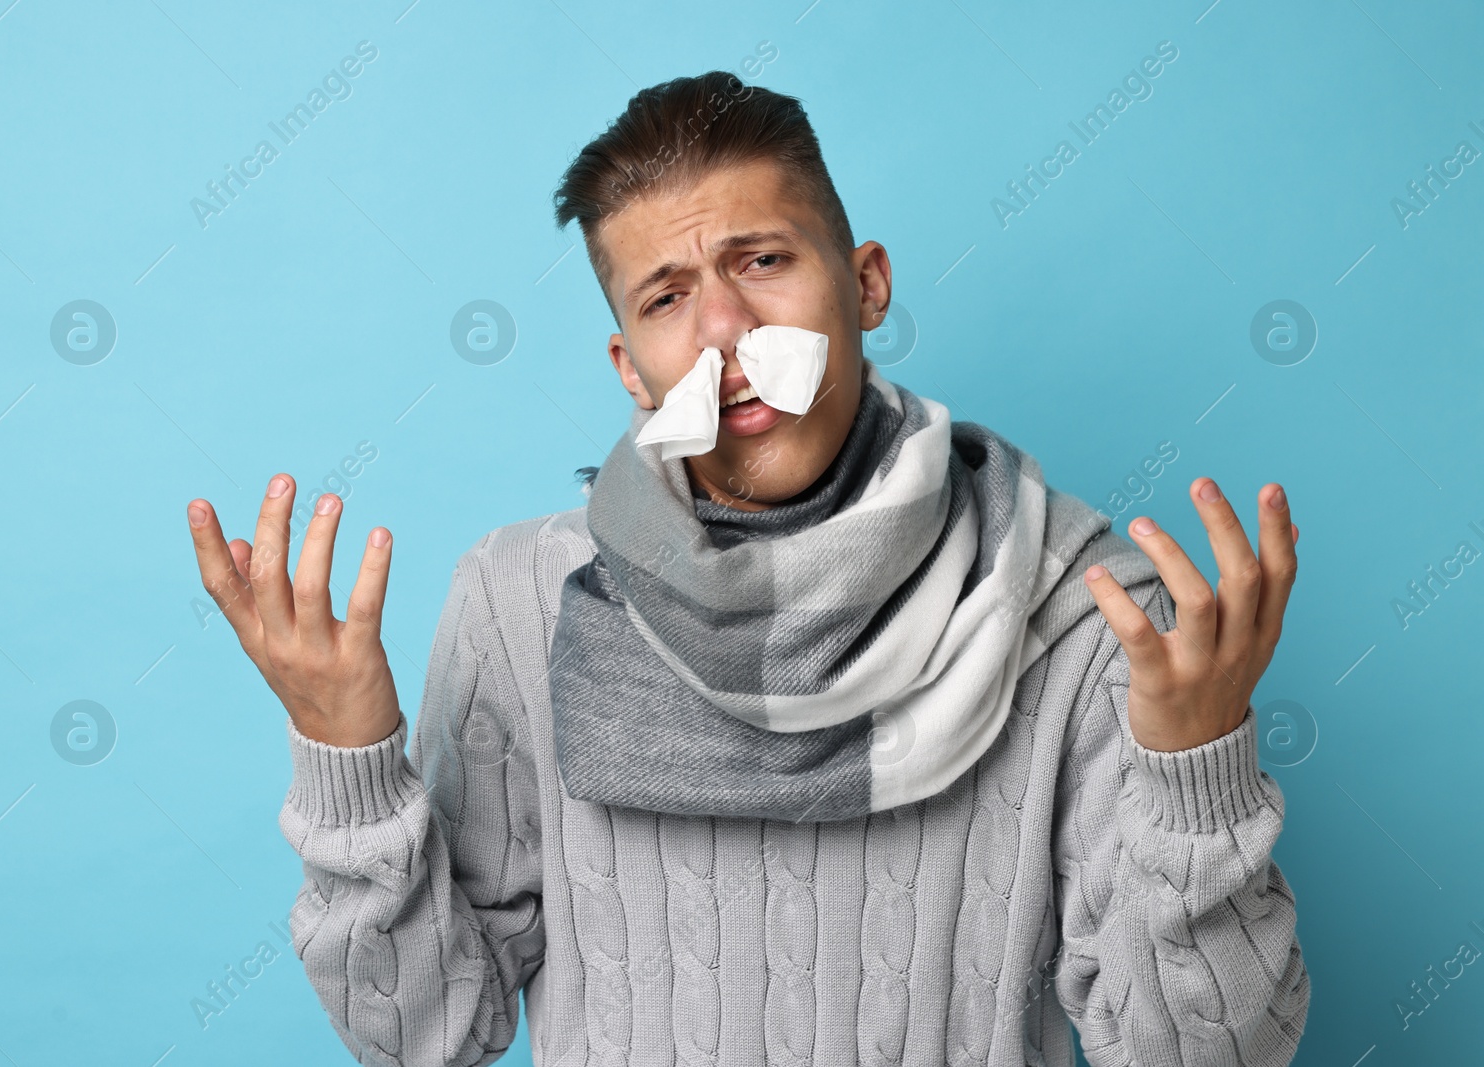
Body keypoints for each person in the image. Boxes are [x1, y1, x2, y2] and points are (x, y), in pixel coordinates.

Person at [186, 70, 1309, 1065]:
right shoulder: (522, 601)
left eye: (762, 260)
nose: (722, 327)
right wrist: (350, 762)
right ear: (632, 365)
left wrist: (1195, 771)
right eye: (667, 296)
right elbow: (425, 1036)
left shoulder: (1081, 606)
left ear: (864, 284)